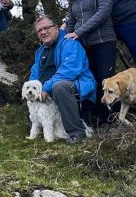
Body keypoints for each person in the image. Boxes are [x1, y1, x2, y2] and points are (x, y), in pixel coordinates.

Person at [29, 16, 96, 144]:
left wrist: (46, 88)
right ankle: (49, 130)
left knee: (59, 86)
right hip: (47, 91)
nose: (43, 32)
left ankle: (76, 132)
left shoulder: (69, 42)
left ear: (55, 28)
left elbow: (69, 70)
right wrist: (33, 89)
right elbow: (34, 74)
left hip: (75, 84)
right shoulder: (41, 50)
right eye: (39, 31)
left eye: (46, 28)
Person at [65, 0, 116, 123]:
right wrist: (66, 36)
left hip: (103, 41)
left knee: (106, 80)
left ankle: (112, 116)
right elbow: (71, 20)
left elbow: (103, 12)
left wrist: (78, 32)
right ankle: (97, 117)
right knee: (91, 80)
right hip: (84, 45)